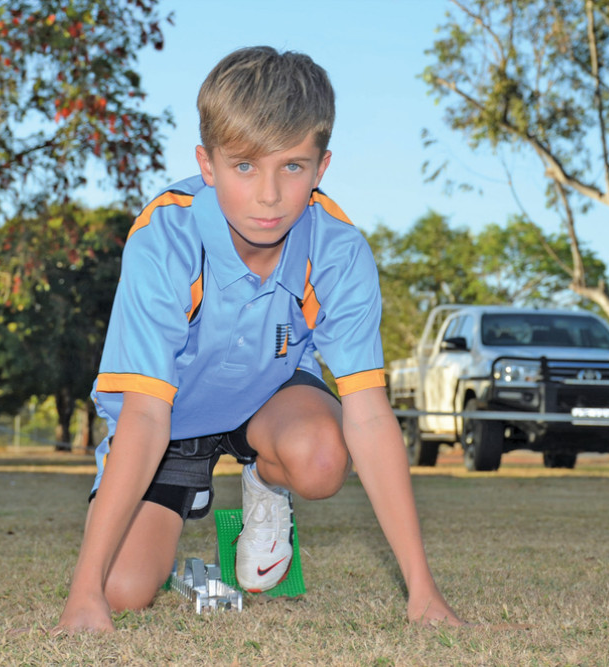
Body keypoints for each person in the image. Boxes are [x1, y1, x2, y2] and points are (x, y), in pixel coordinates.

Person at [57, 46, 466, 632]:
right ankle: (179, 505)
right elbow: (145, 415)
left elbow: (371, 417)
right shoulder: (164, 239)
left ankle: (264, 485)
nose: (270, 195)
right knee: (120, 590)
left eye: (292, 167)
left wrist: (422, 592)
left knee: (323, 459)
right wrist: (83, 593)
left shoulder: (340, 249)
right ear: (208, 163)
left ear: (321, 168)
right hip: (170, 422)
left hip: (269, 402)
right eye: (245, 166)